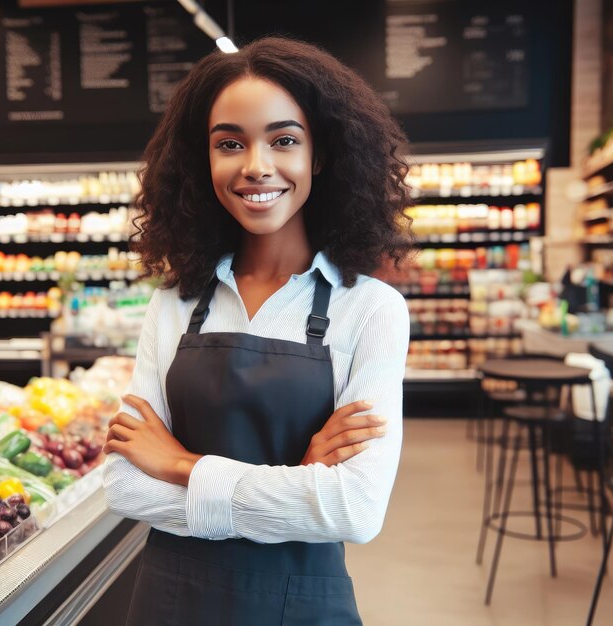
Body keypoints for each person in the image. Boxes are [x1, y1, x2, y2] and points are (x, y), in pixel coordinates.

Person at [102, 36, 412, 625]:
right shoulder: (173, 304)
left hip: (301, 606)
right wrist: (296, 482)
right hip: (169, 602)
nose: (256, 166)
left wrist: (180, 466)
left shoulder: (370, 310)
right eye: (230, 144)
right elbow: (125, 486)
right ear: (205, 160)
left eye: (284, 140)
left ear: (320, 155)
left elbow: (355, 508)